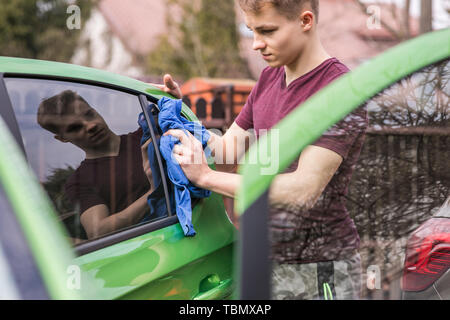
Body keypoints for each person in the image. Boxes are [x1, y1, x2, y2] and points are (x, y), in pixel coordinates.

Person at [156, 0, 368, 300]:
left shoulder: (338, 90)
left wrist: (206, 178)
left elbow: (301, 191)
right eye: (252, 31)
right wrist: (185, 119)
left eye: (267, 31)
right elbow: (227, 149)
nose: (256, 44)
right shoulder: (270, 77)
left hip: (319, 268)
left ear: (305, 21)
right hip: (266, 259)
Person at [37, 90, 155, 240]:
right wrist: (153, 193)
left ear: (96, 111)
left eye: (89, 115)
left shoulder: (145, 136)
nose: (91, 126)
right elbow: (98, 231)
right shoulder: (79, 182)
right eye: (75, 127)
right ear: (62, 138)